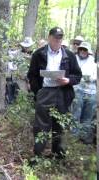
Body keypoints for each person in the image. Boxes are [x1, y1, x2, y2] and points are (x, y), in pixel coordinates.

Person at [27, 27, 82, 160]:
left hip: (63, 93)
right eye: (55, 37)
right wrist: (38, 91)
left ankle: (58, 155)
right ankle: (38, 156)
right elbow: (32, 75)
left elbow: (78, 76)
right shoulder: (38, 54)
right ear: (49, 38)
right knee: (41, 125)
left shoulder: (69, 55)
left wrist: (67, 80)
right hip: (45, 92)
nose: (58, 40)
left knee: (60, 125)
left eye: (60, 38)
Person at [71, 42, 96, 144]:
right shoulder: (74, 58)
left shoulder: (93, 61)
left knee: (88, 116)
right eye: (81, 49)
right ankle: (74, 138)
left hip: (91, 92)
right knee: (76, 114)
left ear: (88, 51)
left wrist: (91, 78)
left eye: (84, 50)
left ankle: (85, 139)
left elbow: (95, 76)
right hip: (77, 90)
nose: (82, 51)